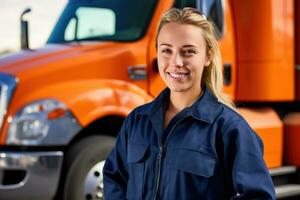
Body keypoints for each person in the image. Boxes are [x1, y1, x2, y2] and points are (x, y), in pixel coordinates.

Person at [103, 7, 276, 200]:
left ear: (207, 56)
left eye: (188, 52)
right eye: (166, 50)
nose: (176, 62)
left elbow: (259, 196)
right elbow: (115, 179)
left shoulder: (230, 128)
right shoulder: (136, 121)